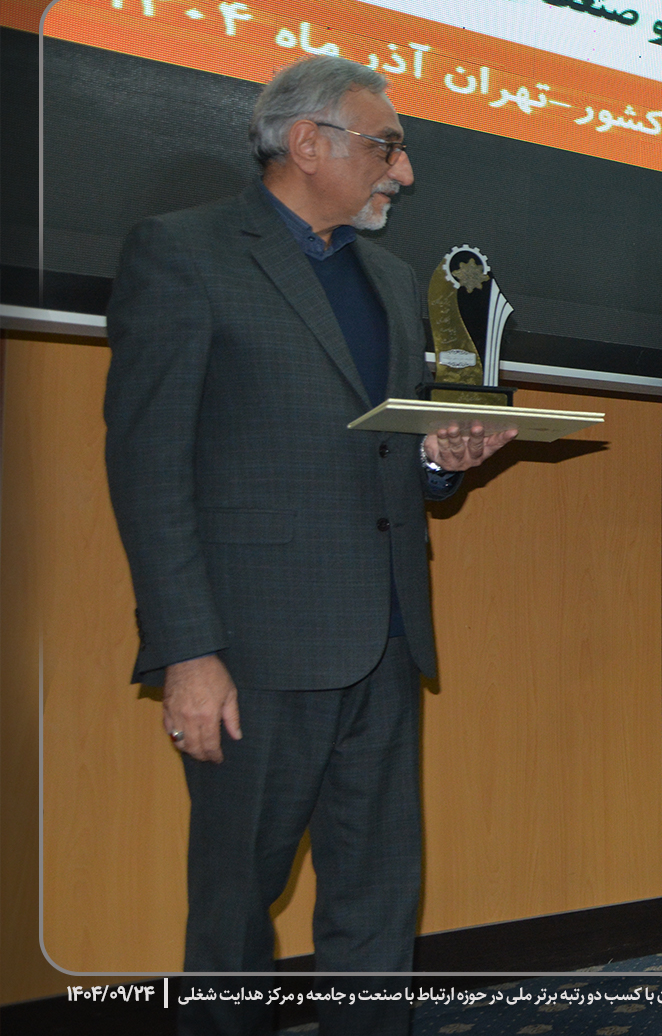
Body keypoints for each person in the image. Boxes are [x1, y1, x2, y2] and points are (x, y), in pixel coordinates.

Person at [102, 55, 513, 1036]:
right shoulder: (184, 252)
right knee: (234, 919)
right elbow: (149, 470)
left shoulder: (393, 279)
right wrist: (188, 653)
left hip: (386, 645)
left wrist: (442, 460)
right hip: (252, 656)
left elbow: (393, 458)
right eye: (387, 147)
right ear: (307, 143)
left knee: (379, 910)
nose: (403, 172)